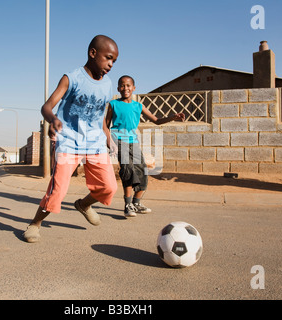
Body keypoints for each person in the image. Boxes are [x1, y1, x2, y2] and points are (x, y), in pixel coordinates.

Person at [23, 35, 119, 243]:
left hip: (94, 142)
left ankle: (84, 205)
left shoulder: (108, 84)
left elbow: (101, 116)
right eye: (108, 58)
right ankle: (35, 224)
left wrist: (108, 138)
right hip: (69, 141)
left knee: (109, 187)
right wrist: (53, 119)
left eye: (114, 61)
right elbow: (46, 106)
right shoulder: (72, 78)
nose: (111, 65)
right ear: (93, 53)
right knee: (58, 190)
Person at [106, 75, 185, 218]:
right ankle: (127, 205)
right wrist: (109, 143)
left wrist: (172, 117)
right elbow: (105, 126)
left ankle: (136, 203)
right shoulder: (113, 104)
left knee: (142, 171)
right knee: (128, 170)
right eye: (122, 85)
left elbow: (157, 120)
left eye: (128, 85)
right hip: (118, 141)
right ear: (118, 88)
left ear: (134, 88)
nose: (125, 88)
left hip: (133, 142)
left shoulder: (139, 106)